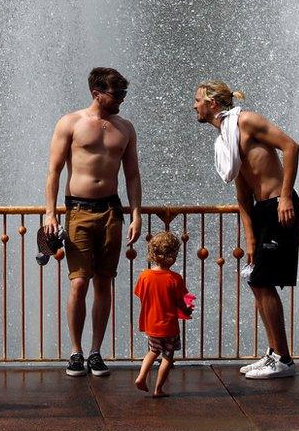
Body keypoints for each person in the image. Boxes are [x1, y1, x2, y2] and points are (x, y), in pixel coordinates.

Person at [194, 81, 299, 379]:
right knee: (256, 279)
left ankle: (283, 359)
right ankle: (274, 353)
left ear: (213, 103)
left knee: (263, 280)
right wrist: (250, 237)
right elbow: (242, 194)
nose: (194, 105)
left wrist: (286, 196)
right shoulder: (225, 138)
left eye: (198, 99)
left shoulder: (246, 120)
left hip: (280, 205)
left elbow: (291, 146)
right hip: (262, 211)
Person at [44, 67, 142, 377]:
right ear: (96, 93)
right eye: (117, 95)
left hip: (111, 211)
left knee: (104, 282)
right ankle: (76, 352)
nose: (121, 101)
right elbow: (54, 171)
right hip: (78, 210)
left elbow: (132, 174)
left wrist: (136, 213)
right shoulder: (70, 123)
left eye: (124, 95)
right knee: (79, 282)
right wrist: (49, 212)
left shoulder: (125, 128)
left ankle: (97, 352)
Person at [134, 231, 193, 397]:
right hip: (169, 326)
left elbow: (140, 294)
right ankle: (158, 389)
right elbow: (180, 302)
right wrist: (187, 310)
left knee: (152, 352)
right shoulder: (175, 278)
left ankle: (141, 377)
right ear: (172, 256)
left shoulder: (144, 276)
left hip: (151, 324)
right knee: (168, 356)